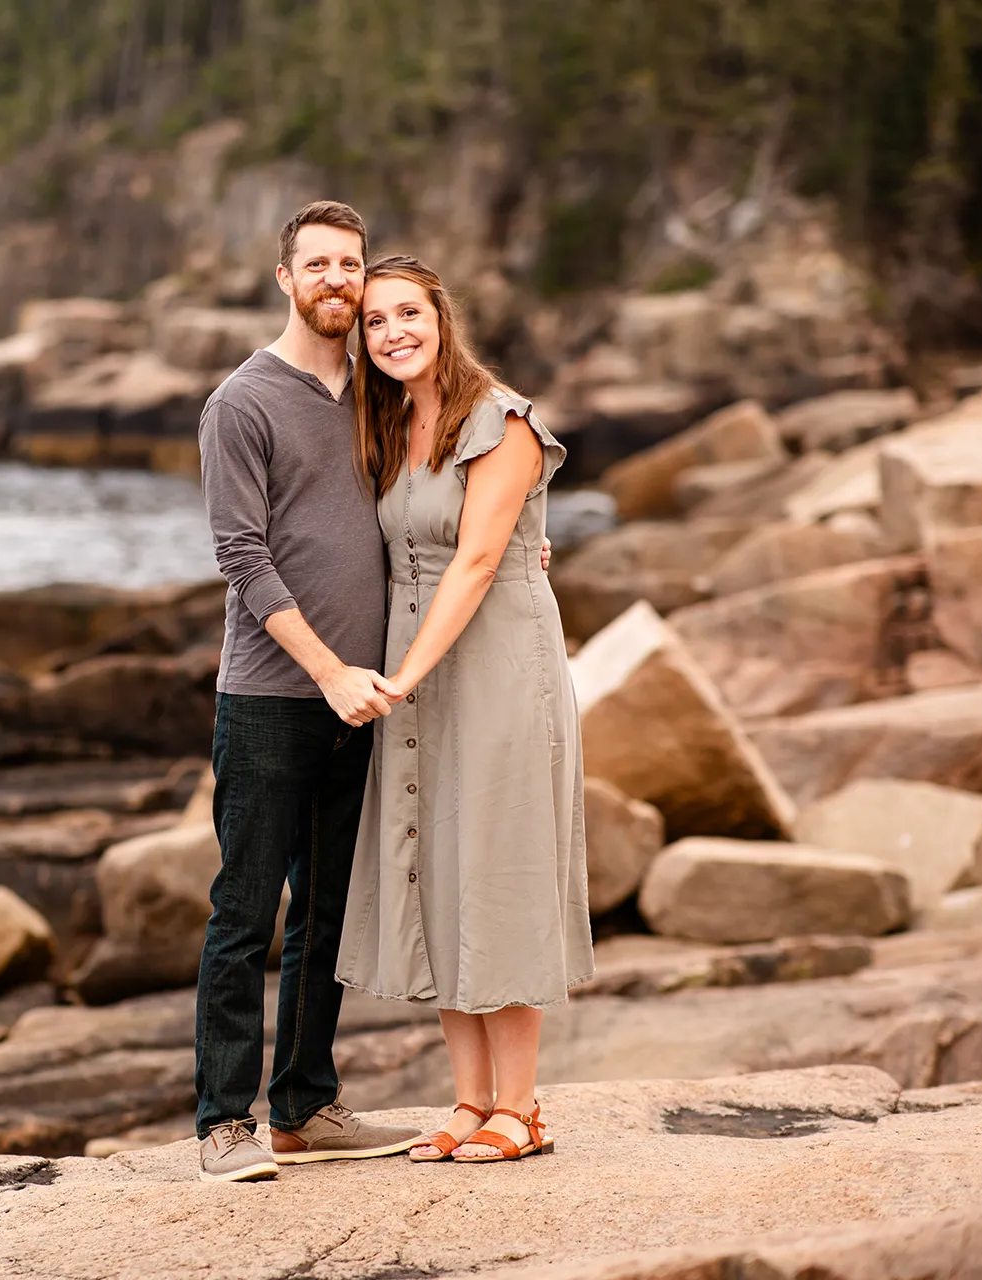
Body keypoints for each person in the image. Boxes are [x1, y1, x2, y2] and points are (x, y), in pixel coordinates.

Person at [194, 203, 552, 1183]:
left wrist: (529, 541)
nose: (338, 281)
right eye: (318, 263)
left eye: (350, 264)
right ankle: (224, 1121)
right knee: (244, 908)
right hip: (278, 691)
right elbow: (240, 554)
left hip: (374, 697)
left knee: (325, 913)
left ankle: (302, 1105)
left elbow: (459, 516)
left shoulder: (374, 397)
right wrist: (328, 669)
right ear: (285, 277)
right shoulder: (241, 402)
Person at [335, 253, 592, 1165]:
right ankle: (470, 1098)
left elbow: (480, 562)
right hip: (422, 667)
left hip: (492, 668)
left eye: (408, 313)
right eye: (375, 321)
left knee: (501, 868)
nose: (394, 332)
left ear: (441, 318)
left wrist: (400, 677)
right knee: (441, 866)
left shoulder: (501, 420)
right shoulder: (391, 420)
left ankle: (519, 1109)